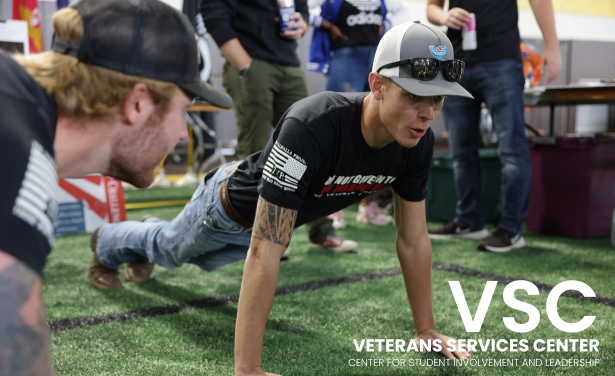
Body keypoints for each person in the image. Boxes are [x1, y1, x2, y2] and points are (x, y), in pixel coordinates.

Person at [90, 21, 474, 374]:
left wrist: (427, 330)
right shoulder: (313, 124)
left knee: (182, 255)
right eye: (414, 96)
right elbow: (265, 247)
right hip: (224, 210)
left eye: (438, 100)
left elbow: (413, 238)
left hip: (266, 229)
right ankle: (107, 242)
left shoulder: (415, 142)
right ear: (377, 85)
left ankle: (144, 236)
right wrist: (248, 369)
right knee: (169, 250)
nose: (428, 114)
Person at [0, 0, 233, 374]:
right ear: (138, 102)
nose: (179, 132)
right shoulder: (22, 160)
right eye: (183, 109)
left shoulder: (17, 105)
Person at [202, 0, 357, 254]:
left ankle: (322, 230)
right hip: (252, 62)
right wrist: (246, 65)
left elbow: (302, 8)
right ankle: (263, 237)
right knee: (257, 153)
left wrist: (302, 23)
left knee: (316, 148)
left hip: (288, 63)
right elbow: (213, 15)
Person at [426, 0, 562, 252]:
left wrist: (552, 45)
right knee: (460, 151)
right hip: (457, 62)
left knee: (511, 150)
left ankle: (510, 228)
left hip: (502, 61)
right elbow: (431, 8)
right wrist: (444, 17)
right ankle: (468, 220)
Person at [308, 0, 410, 228]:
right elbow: (301, 7)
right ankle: (332, 206)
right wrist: (325, 24)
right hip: (345, 57)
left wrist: (388, 24)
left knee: (377, 130)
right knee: (337, 129)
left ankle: (367, 205)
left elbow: (404, 10)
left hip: (375, 56)